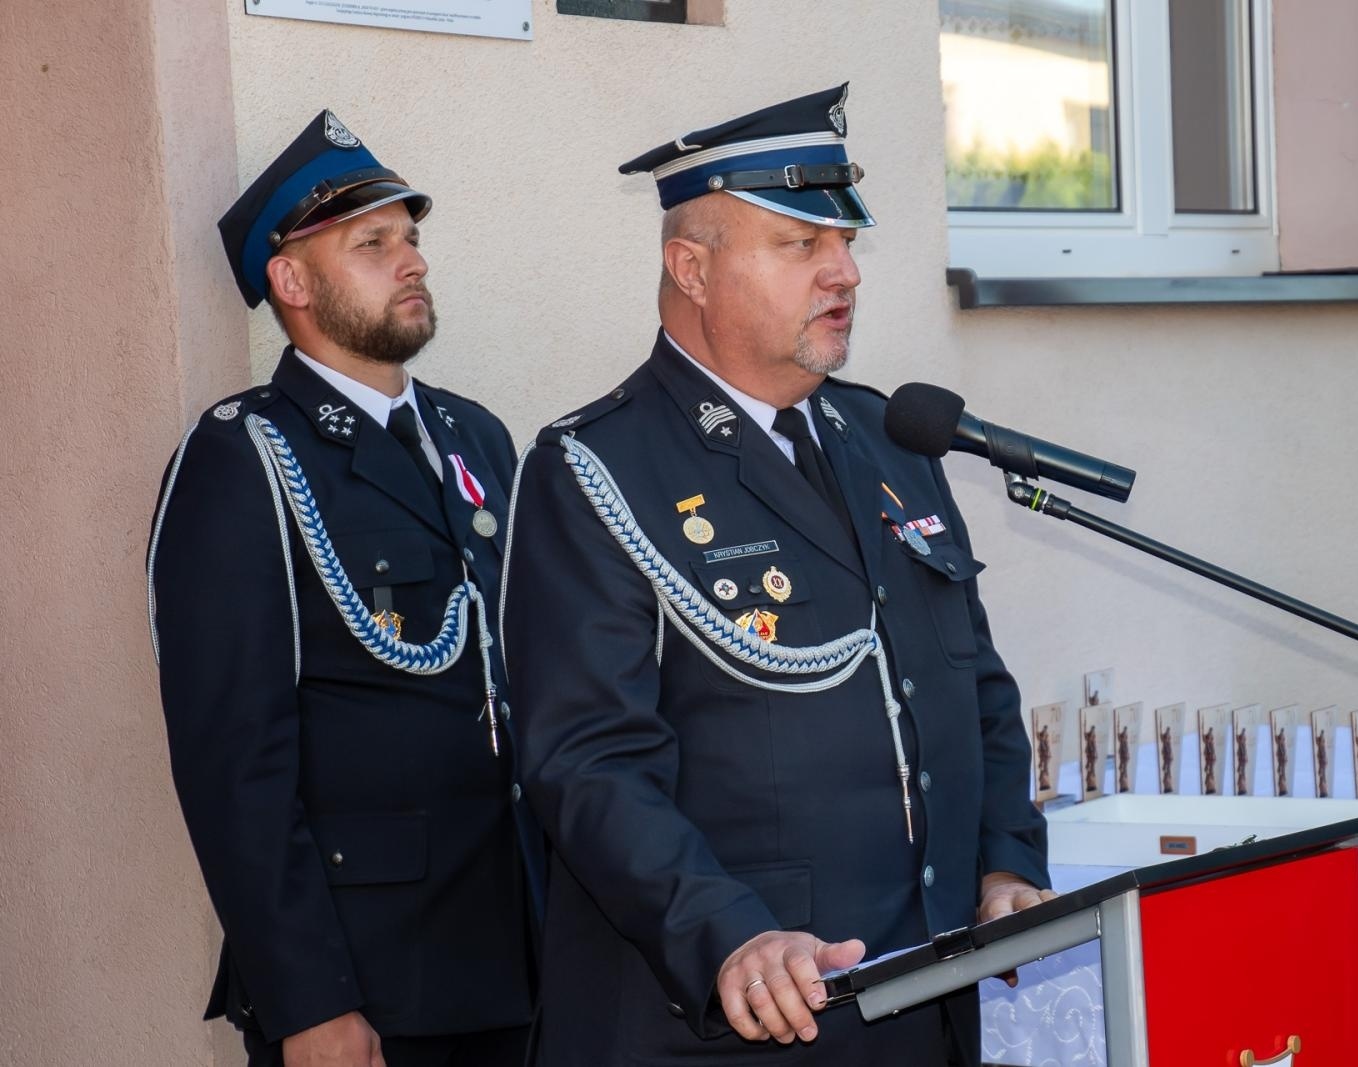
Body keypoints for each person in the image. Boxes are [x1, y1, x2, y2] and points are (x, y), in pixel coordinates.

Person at [501, 84, 1051, 1065]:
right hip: (735, 1018)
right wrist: (727, 931)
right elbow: (587, 761)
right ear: (691, 268)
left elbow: (972, 683)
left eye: (842, 243)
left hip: (921, 997)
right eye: (801, 245)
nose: (842, 271)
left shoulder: (889, 437)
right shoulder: (596, 466)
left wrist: (1005, 860)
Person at [147, 110, 538, 1067]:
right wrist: (306, 999)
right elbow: (233, 764)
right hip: (370, 978)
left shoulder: (475, 437)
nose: (412, 262)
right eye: (373, 245)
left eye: (412, 239)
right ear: (291, 282)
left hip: (519, 945)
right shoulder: (244, 458)